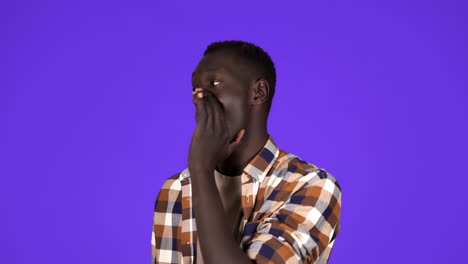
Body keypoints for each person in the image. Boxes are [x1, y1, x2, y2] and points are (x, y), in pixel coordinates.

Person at [151, 40, 341, 264]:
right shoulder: (175, 189)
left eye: (214, 83)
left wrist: (201, 170)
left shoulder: (310, 185)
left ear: (258, 92)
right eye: (196, 89)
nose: (200, 99)